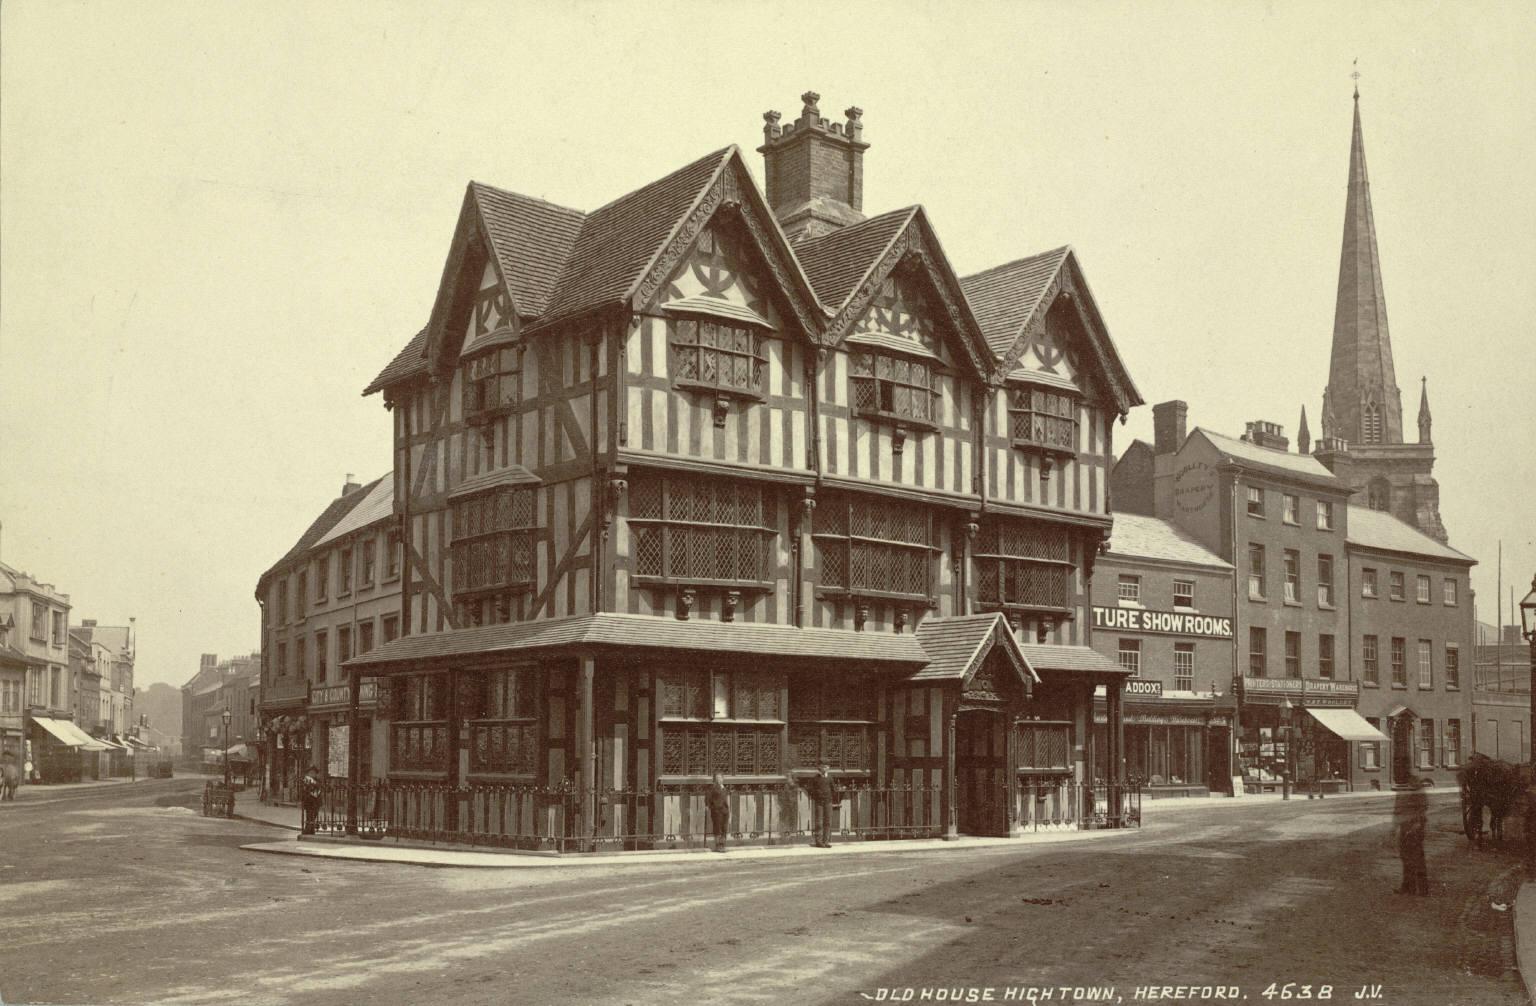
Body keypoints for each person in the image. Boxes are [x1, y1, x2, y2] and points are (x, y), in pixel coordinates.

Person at [1395, 776, 1430, 895]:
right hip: (1405, 825)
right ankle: (1408, 887)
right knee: (1405, 856)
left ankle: (1423, 889)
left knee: (1417, 856)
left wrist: (1418, 822)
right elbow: (1398, 808)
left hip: (1415, 826)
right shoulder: (1401, 785)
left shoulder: (1414, 782)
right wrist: (1395, 825)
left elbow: (1423, 805)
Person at [804, 762, 841, 849]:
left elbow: (834, 789)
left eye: (826, 766)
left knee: (828, 821)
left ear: (829, 768)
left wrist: (831, 798)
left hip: (828, 802)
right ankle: (819, 841)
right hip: (819, 802)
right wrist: (816, 796)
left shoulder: (830, 778)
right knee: (819, 822)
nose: (825, 768)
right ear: (819, 768)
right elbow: (809, 789)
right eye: (823, 767)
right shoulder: (815, 779)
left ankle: (826, 841)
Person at [706, 771, 730, 853]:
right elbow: (708, 798)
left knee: (724, 828)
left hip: (725, 811)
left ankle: (722, 845)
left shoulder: (724, 788)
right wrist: (710, 807)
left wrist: (727, 810)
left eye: (720, 778)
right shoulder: (713, 788)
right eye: (717, 778)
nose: (718, 780)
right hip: (717, 811)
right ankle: (718, 846)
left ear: (723, 779)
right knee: (717, 829)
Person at [300, 766, 323, 835]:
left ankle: (311, 829)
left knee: (314, 815)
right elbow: (304, 790)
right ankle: (308, 829)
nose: (312, 774)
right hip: (309, 801)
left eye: (314, 773)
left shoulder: (318, 781)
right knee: (309, 815)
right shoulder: (306, 780)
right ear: (308, 773)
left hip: (316, 801)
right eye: (311, 773)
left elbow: (319, 788)